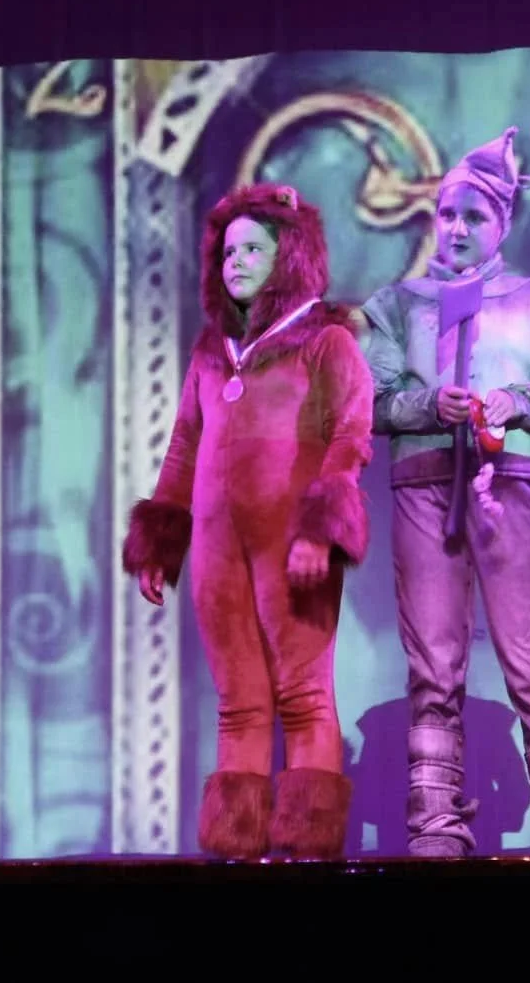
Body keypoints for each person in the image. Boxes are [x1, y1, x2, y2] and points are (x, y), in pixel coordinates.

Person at [360, 125, 530, 858]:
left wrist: (518, 399)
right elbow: (370, 401)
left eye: (475, 215)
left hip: (512, 489)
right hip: (426, 489)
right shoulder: (400, 305)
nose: (458, 228)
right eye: (447, 214)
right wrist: (424, 405)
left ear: (501, 223)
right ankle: (435, 821)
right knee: (434, 663)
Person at [121, 182, 373, 861]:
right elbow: (182, 447)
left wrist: (321, 528)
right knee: (238, 704)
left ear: (287, 255)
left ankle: (307, 852)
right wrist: (159, 541)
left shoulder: (325, 342)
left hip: (293, 546)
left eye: (253, 248)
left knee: (304, 698)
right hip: (216, 552)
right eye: (229, 250)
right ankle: (239, 854)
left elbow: (351, 437)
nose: (237, 260)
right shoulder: (210, 351)